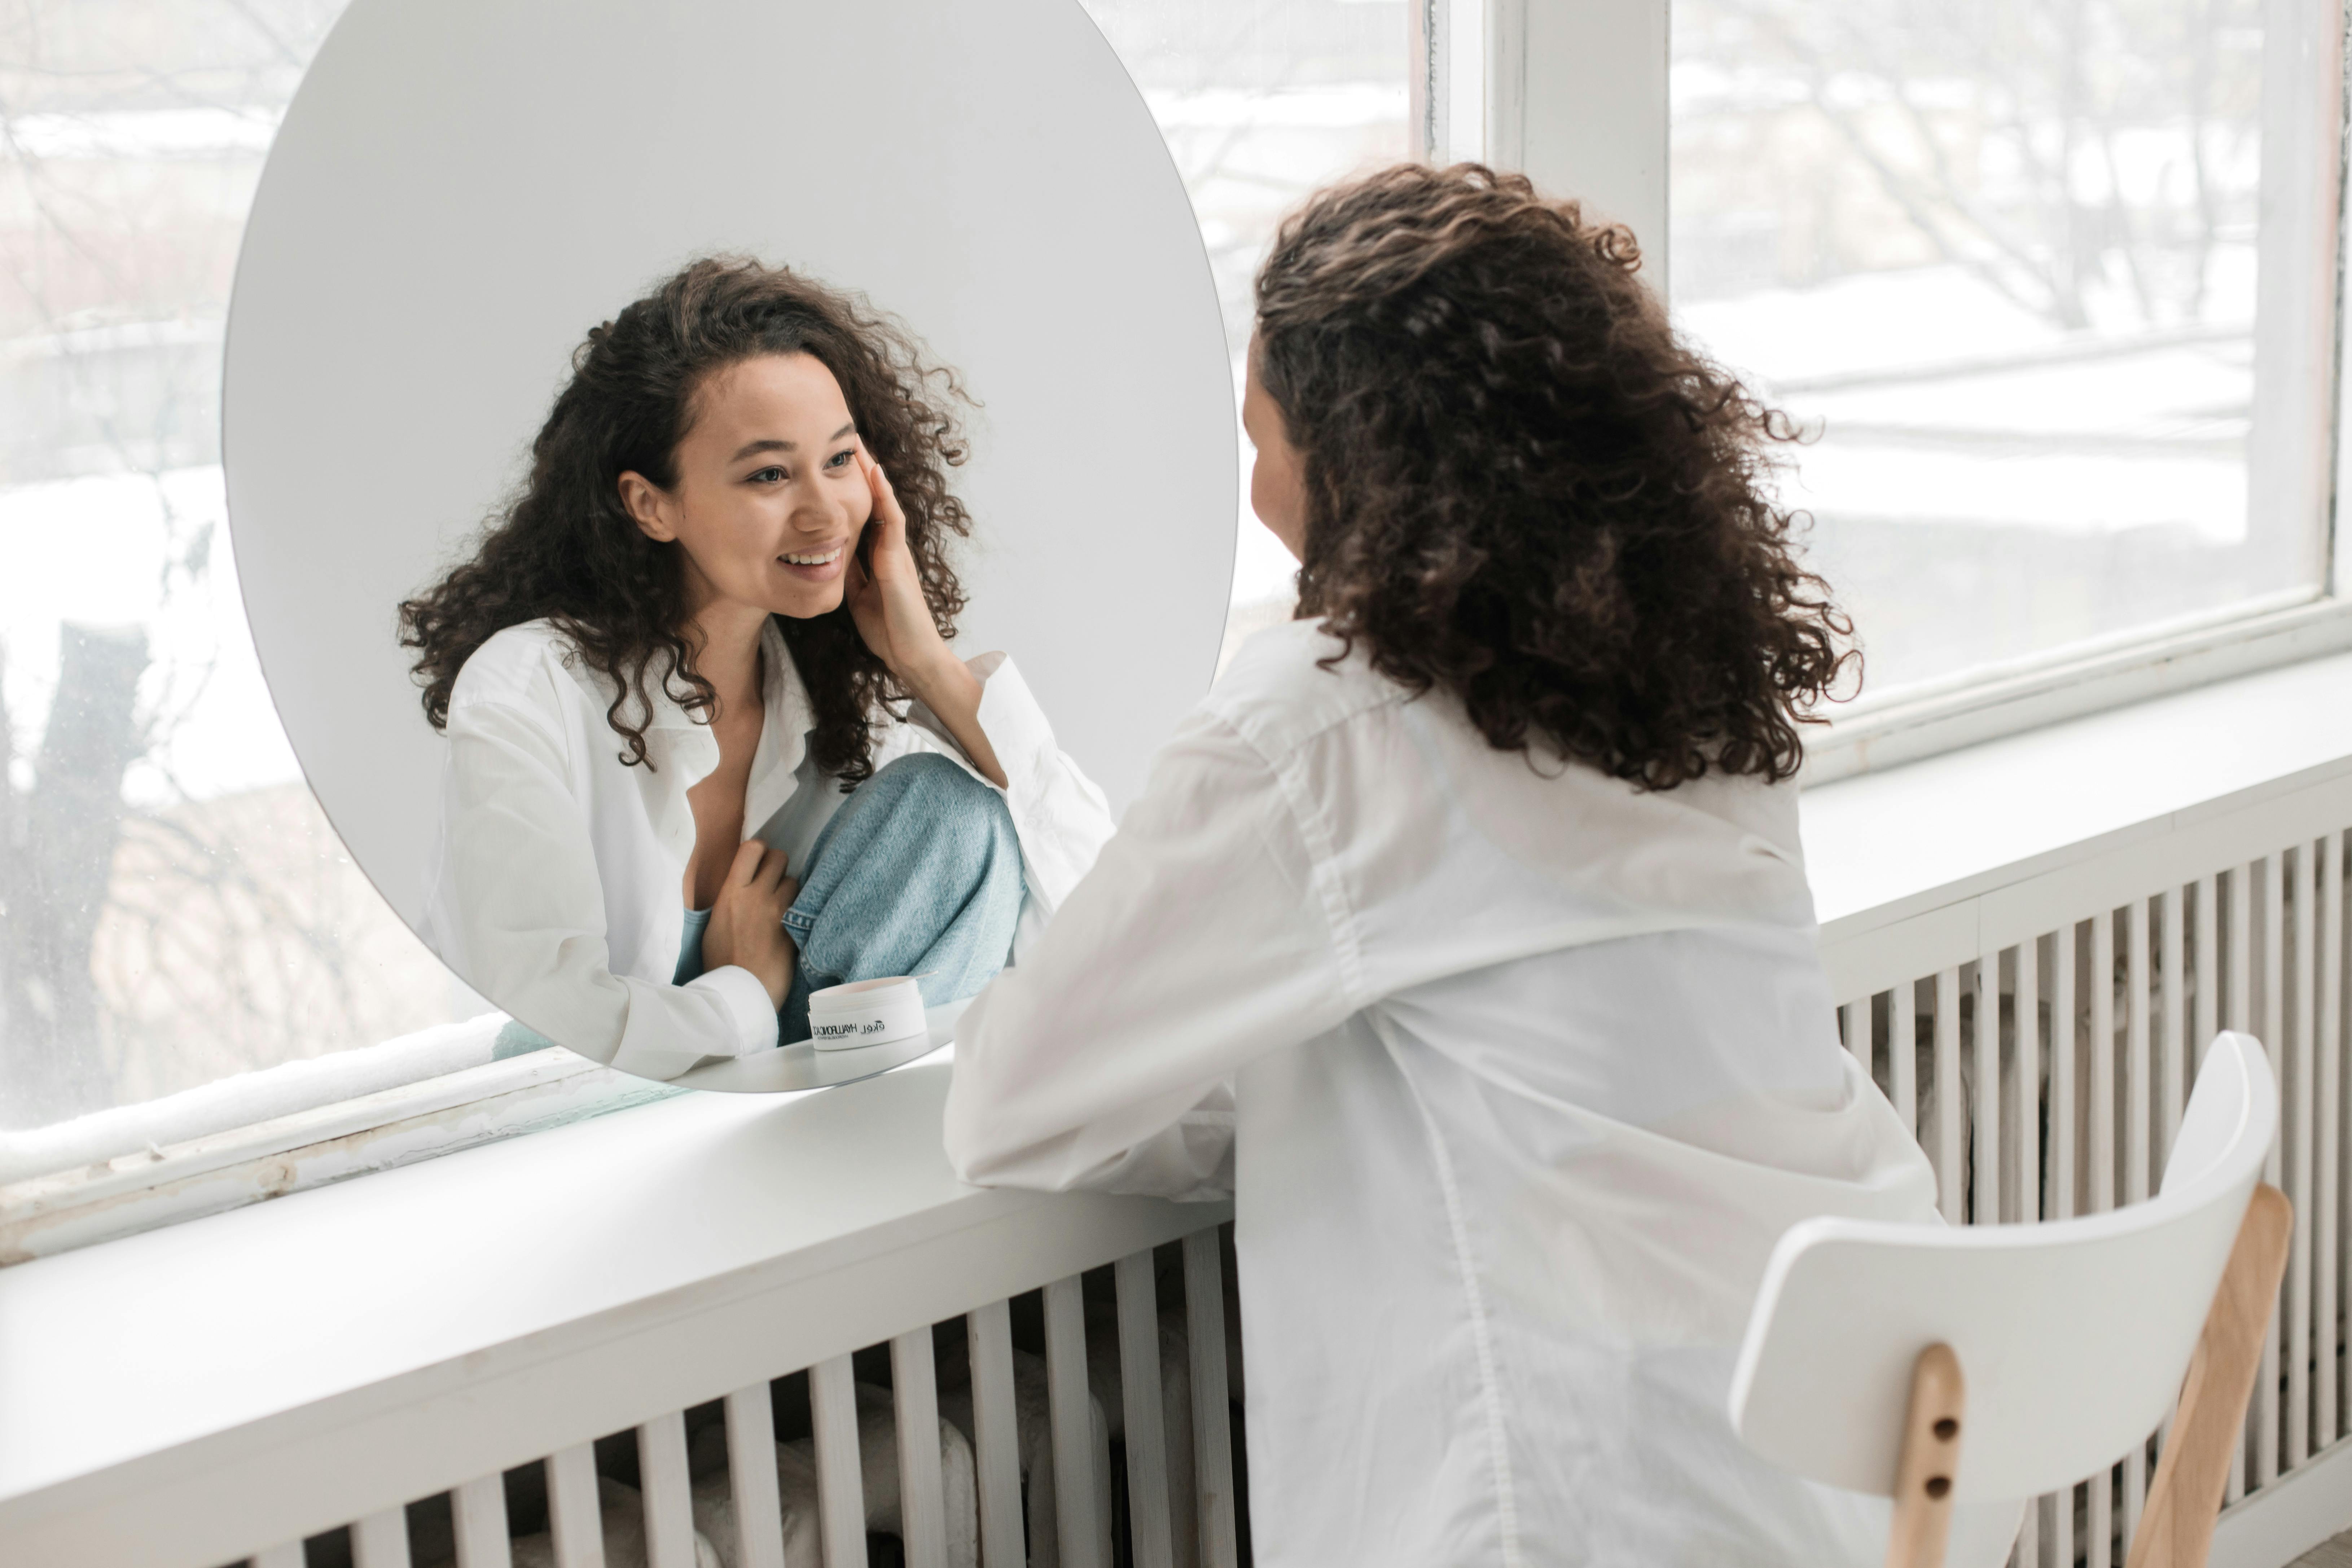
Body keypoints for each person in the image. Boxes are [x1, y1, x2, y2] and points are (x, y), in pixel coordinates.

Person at [943, 166, 2014, 1566]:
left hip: (1603, 1510)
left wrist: (1285, 1092)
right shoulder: (1694, 694)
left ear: (1345, 462)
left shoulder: (1320, 725)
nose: (1249, 472)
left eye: (1255, 428)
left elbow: (1012, 1104)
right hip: (1883, 1465)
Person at [401, 258, 1113, 1083]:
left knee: (955, 814)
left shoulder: (843, 691)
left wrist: (925, 664)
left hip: (815, 1123)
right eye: (769, 474)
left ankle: (858, 1164)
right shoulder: (528, 689)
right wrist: (740, 988)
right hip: (589, 1141)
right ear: (649, 504)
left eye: (841, 461)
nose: (824, 511)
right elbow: (550, 1034)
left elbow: (1097, 918)